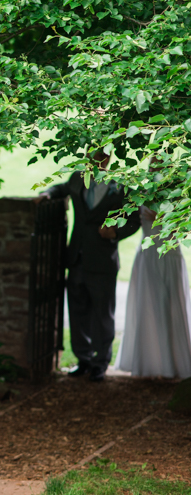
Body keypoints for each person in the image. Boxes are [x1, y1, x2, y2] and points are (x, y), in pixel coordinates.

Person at [38, 152, 140, 382]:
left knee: (102, 313)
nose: (95, 160)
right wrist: (46, 194)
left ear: (108, 159)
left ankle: (100, 362)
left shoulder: (120, 185)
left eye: (100, 156)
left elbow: (134, 219)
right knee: (77, 309)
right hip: (76, 258)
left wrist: (115, 232)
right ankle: (83, 359)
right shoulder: (77, 178)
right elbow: (60, 189)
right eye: (91, 155)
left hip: (103, 260)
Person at [114, 206, 191, 378]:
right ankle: (148, 362)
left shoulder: (178, 187)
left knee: (169, 306)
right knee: (148, 306)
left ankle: (172, 364)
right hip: (147, 256)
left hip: (170, 254)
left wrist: (165, 218)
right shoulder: (140, 187)